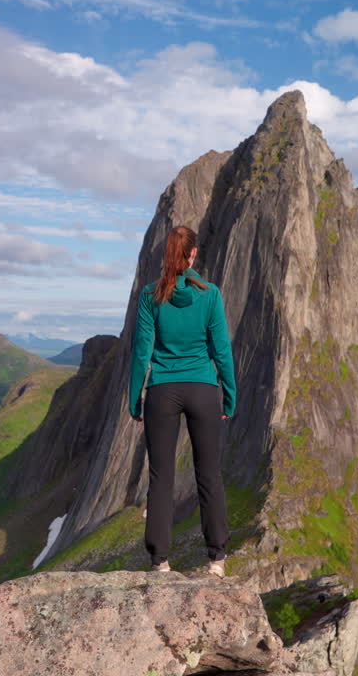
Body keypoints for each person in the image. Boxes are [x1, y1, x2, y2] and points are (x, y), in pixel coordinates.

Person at [129, 225, 237, 578]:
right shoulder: (210, 295)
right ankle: (217, 559)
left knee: (160, 477)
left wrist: (135, 398)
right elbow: (221, 349)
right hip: (204, 389)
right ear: (192, 255)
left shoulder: (150, 296)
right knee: (209, 474)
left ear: (168, 255)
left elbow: (142, 351)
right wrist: (229, 396)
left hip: (162, 390)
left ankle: (159, 561)